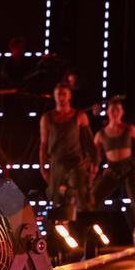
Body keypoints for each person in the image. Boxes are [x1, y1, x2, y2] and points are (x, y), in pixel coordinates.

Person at [92, 97, 135, 235]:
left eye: (117, 109)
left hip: (130, 168)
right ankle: (93, 232)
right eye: (112, 110)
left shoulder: (129, 129)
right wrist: (94, 172)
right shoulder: (100, 134)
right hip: (112, 168)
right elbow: (95, 157)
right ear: (108, 112)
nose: (115, 112)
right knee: (93, 197)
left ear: (122, 112)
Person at [39, 82, 97, 217]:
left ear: (69, 96)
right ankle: (61, 235)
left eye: (64, 94)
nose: (61, 97)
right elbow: (43, 144)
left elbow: (88, 142)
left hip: (75, 163)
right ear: (54, 96)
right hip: (57, 164)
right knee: (57, 201)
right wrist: (42, 167)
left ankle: (83, 232)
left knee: (80, 200)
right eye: (58, 94)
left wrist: (94, 163)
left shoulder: (79, 116)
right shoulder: (47, 118)